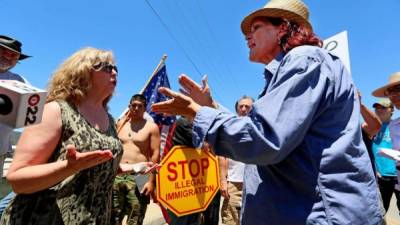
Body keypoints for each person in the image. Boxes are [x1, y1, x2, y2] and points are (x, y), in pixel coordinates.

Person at [151, 0, 383, 224]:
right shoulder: (294, 68)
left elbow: (264, 139)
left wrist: (197, 113)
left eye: (256, 27)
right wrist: (209, 107)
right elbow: (267, 127)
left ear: (282, 27)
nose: (246, 36)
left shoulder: (304, 60)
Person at [0, 47, 154, 224]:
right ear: (83, 71)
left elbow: (93, 167)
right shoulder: (55, 110)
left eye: (115, 68)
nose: (114, 72)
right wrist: (68, 167)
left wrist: (131, 168)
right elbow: (18, 180)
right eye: (106, 67)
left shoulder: (110, 120)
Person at [112, 94, 160, 225]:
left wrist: (151, 181)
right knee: (112, 217)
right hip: (117, 174)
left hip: (139, 177)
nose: (136, 108)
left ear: (145, 108)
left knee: (136, 217)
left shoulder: (151, 127)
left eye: (140, 106)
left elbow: (155, 155)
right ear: (129, 107)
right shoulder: (120, 124)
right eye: (134, 105)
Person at [0, 35, 31, 215]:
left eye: (14, 56)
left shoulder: (18, 81)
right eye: (6, 52)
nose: (10, 58)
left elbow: (35, 107)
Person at [219, 95, 253, 225]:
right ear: (237, 109)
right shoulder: (228, 129)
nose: (244, 109)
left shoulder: (261, 129)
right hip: (234, 184)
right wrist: (223, 180)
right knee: (231, 220)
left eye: (247, 106)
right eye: (241, 106)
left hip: (254, 185)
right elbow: (222, 155)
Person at [370, 98, 400, 213]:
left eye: (383, 107)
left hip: (398, 174)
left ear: (391, 110)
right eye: (377, 108)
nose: (379, 110)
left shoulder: (396, 125)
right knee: (380, 212)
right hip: (381, 176)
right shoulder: (371, 128)